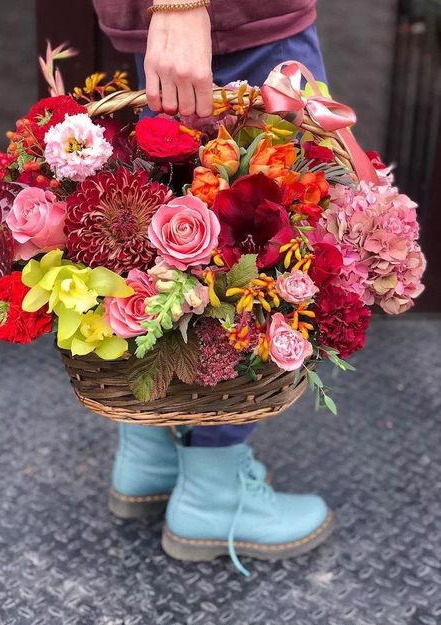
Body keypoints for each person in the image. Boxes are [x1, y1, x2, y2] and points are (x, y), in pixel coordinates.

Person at [92, 0, 334, 573]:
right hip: (233, 14)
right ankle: (212, 493)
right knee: (263, 254)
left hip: (176, 20)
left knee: (159, 226)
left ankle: (150, 456)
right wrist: (182, 7)